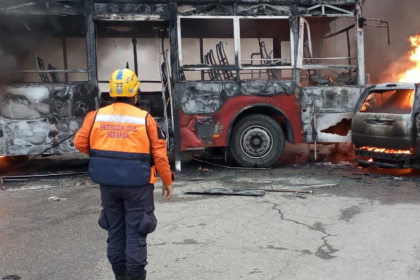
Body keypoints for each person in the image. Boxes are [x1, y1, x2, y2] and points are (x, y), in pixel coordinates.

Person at [74, 68, 173, 280]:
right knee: (136, 232)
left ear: (112, 93)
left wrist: (105, 155)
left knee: (115, 232)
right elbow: (159, 154)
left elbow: (80, 143)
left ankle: (120, 276)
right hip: (138, 186)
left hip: (108, 185)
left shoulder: (96, 116)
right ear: (135, 93)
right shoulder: (145, 119)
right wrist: (167, 180)